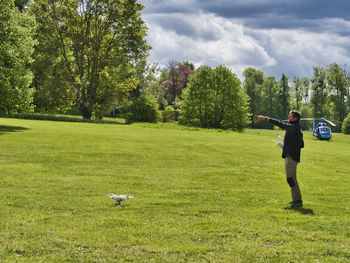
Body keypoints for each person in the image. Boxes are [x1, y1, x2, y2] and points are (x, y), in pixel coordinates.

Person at [256, 110, 304, 208]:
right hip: (291, 156)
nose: (288, 117)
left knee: (291, 179)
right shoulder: (296, 128)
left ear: (296, 118)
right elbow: (300, 144)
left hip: (292, 157)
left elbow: (281, 124)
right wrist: (287, 146)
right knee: (291, 179)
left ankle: (297, 201)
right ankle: (296, 199)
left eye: (290, 116)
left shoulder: (293, 127)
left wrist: (266, 118)